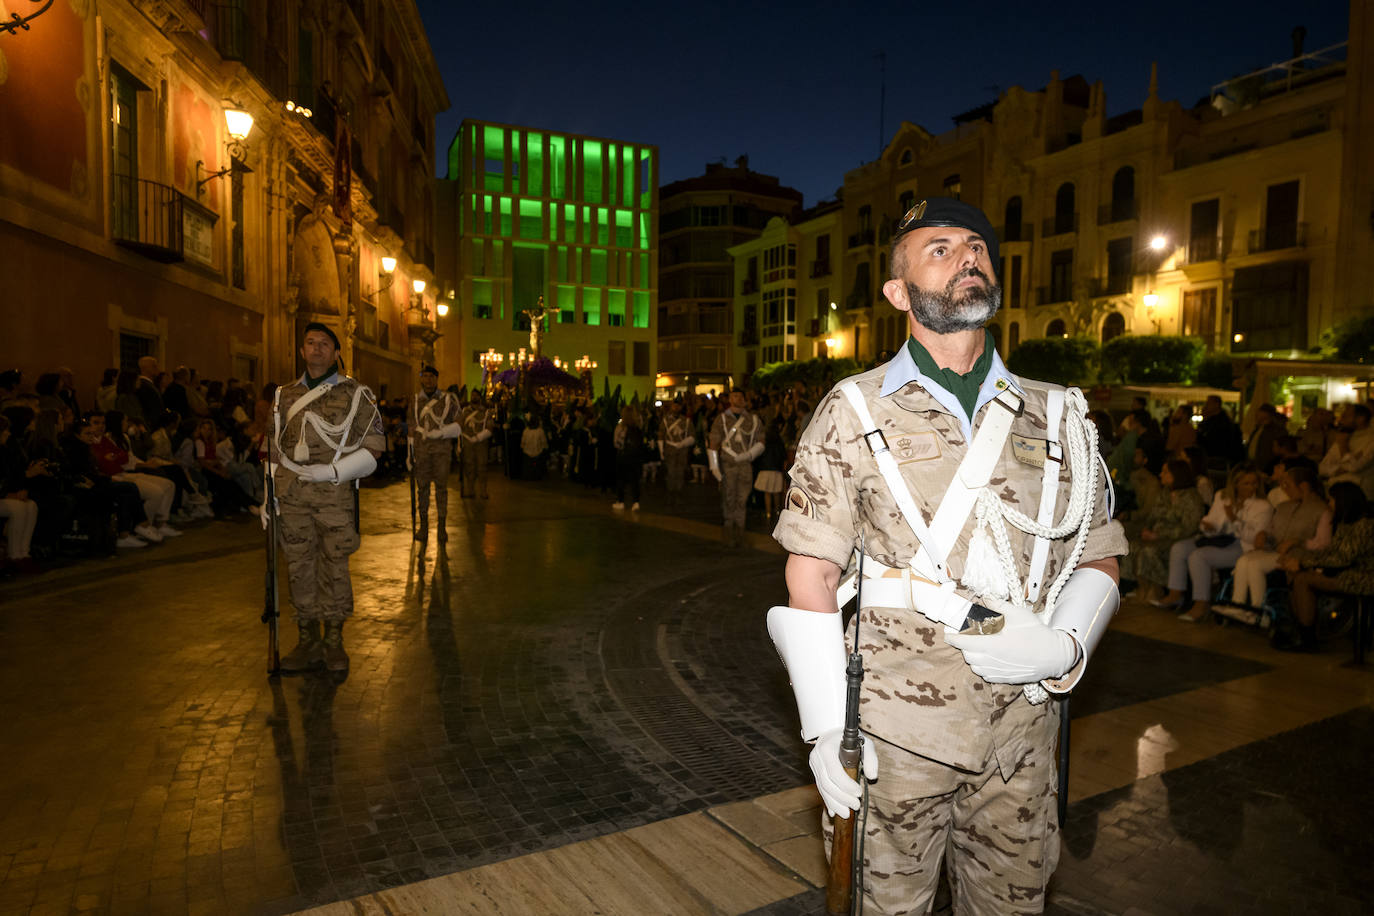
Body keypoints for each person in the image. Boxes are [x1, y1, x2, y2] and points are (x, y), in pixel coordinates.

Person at [768, 197, 1124, 914]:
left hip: (1024, 734)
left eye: (977, 247)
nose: (967, 257)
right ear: (899, 293)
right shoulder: (854, 408)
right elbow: (810, 571)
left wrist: (1065, 649)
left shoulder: (1058, 413)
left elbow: (1100, 554)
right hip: (896, 740)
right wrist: (828, 727)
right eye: (940, 248)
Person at [268, 323, 384, 673]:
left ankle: (334, 642)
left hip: (333, 495)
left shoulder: (357, 394)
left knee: (334, 565)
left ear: (336, 353)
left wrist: (333, 473)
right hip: (291, 494)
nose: (317, 349)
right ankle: (307, 640)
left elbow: (375, 449)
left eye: (324, 344)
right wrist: (268, 495)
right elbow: (272, 448)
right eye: (310, 343)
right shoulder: (283, 395)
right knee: (299, 565)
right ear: (302, 351)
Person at [1214, 465, 1329, 623]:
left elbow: (1323, 543)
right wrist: (1264, 535)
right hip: (1277, 551)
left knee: (1255, 564)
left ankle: (1257, 611)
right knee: (1244, 560)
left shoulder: (1321, 510)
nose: (1284, 489)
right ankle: (1238, 605)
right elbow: (1272, 530)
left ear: (1303, 486)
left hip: (1301, 555)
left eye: (1287, 485)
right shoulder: (1284, 507)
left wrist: (1298, 542)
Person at [1163, 467, 1273, 622]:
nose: (1251, 487)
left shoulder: (1263, 506)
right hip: (1217, 539)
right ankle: (1175, 593)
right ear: (1235, 484)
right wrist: (1208, 526)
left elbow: (1253, 538)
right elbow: (1212, 519)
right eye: (1246, 483)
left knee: (1199, 556)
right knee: (1179, 548)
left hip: (1241, 545)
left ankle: (1201, 603)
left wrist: (1234, 519)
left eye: (1254, 483)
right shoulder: (1222, 496)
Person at [1276, 482, 1374, 651]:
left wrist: (1304, 563)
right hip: (1346, 572)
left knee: (1302, 579)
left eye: (1331, 500)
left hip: (1362, 576)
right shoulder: (1345, 523)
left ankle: (1306, 638)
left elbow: (1344, 558)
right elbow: (1331, 553)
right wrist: (1300, 560)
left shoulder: (1364, 525)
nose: (1329, 504)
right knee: (1294, 574)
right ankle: (1299, 629)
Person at [1126, 459, 1207, 599]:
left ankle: (1157, 588)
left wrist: (1158, 535)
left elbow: (1189, 527)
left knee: (1149, 550)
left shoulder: (1191, 496)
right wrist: (1146, 529)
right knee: (1133, 545)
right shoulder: (1164, 493)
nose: (1161, 475)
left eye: (1165, 472)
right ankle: (1142, 586)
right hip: (1156, 535)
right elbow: (1153, 515)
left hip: (1177, 538)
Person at [409, 365, 461, 544]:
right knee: (422, 489)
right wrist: (409, 454)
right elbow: (411, 426)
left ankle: (441, 527)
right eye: (425, 376)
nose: (428, 380)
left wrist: (442, 433)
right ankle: (423, 527)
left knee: (441, 489)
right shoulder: (416, 401)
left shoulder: (448, 399)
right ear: (421, 378)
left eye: (432, 376)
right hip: (422, 452)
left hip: (441, 451)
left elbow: (458, 424)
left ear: (437, 379)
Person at [709, 389, 763, 547]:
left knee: (743, 498)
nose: (737, 399)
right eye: (734, 396)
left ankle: (740, 528)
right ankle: (728, 527)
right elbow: (713, 442)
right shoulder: (722, 419)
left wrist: (748, 455)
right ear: (729, 399)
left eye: (740, 396)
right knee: (729, 496)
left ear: (745, 400)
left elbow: (761, 441)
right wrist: (714, 466)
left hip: (745, 465)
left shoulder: (753, 419)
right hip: (728, 465)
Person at [458, 391, 495, 499]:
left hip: (481, 444)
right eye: (472, 395)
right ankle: (470, 490)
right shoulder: (465, 411)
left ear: (480, 397)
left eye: (476, 395)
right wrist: (459, 445)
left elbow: (490, 428)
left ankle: (483, 491)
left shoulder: (486, 412)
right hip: (467, 443)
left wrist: (478, 438)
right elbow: (460, 427)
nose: (474, 397)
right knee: (469, 467)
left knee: (482, 467)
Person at [660, 398, 694, 505]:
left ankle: (678, 492)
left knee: (680, 472)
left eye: (678, 406)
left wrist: (683, 443)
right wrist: (661, 451)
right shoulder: (665, 421)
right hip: (670, 450)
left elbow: (692, 436)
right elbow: (661, 435)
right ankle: (670, 493)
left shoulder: (687, 421)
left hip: (682, 451)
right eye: (674, 405)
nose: (676, 407)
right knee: (671, 472)